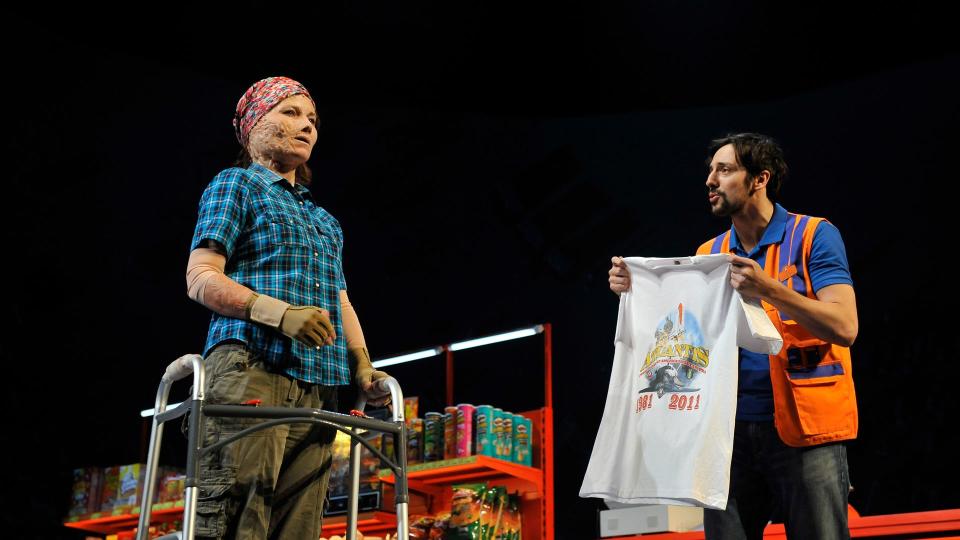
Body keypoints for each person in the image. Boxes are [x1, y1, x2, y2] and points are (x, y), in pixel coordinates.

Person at [608, 133, 858, 540]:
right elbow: (684, 335)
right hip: (727, 435)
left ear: (760, 178)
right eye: (710, 171)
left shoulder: (813, 235)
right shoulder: (710, 252)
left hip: (806, 431)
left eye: (724, 170)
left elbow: (845, 327)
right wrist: (637, 289)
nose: (710, 180)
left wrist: (770, 289)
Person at [185, 76, 390, 539]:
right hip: (250, 368)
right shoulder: (236, 184)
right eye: (290, 113)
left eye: (313, 120)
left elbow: (340, 300)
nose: (307, 127)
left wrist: (362, 365)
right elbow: (200, 278)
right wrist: (279, 313)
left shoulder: (324, 221)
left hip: (319, 385)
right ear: (254, 124)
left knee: (300, 526)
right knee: (238, 514)